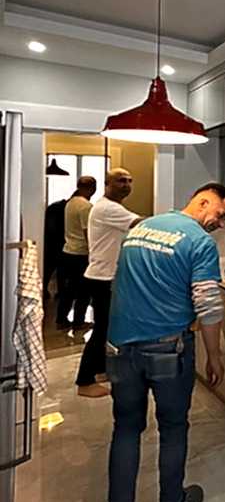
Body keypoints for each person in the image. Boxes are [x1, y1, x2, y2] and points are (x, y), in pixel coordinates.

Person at [105, 182, 225, 502]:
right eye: (221, 214)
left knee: (126, 428)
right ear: (203, 201)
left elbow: (122, 283)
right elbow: (208, 305)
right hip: (167, 349)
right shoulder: (199, 242)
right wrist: (215, 355)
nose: (220, 223)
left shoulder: (142, 228)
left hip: (120, 347)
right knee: (173, 426)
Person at [75, 168, 142, 398]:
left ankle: (100, 369)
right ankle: (84, 381)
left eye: (130, 181)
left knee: (107, 327)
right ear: (107, 184)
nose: (127, 185)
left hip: (102, 275)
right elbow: (141, 224)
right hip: (103, 277)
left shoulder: (111, 207)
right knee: (102, 329)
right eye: (121, 181)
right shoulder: (108, 208)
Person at [56, 176, 97, 331]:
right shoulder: (86, 206)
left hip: (68, 251)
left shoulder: (70, 203)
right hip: (81, 253)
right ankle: (79, 322)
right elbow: (88, 233)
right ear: (92, 188)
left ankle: (61, 319)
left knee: (68, 289)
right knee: (84, 291)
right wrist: (94, 253)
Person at [42, 197, 68, 303]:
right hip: (61, 242)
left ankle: (44, 291)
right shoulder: (65, 208)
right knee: (62, 271)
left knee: (48, 269)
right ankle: (61, 293)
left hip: (49, 243)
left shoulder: (52, 207)